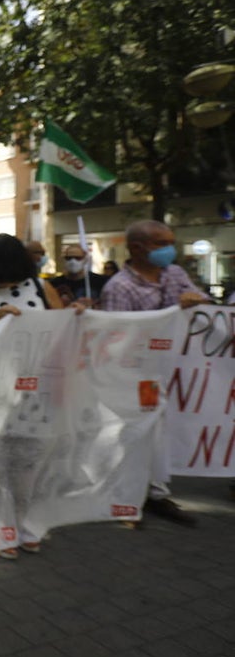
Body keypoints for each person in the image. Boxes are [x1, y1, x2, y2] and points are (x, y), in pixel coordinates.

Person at [0, 235, 69, 558]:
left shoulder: (40, 288)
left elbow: (63, 330)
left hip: (38, 391)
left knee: (31, 460)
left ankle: (26, 522)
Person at [101, 220, 213, 527]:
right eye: (161, 244)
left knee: (159, 434)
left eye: (170, 243)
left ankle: (156, 493)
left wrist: (196, 301)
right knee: (132, 435)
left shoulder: (174, 274)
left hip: (169, 373)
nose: (169, 250)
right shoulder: (119, 288)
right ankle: (124, 500)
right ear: (136, 248)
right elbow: (117, 338)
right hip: (136, 376)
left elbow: (203, 305)